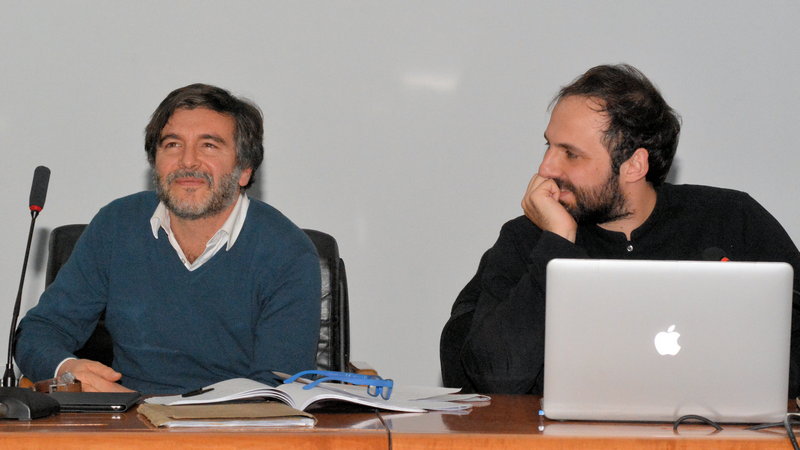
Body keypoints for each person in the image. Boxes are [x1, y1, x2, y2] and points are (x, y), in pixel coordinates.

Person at [441, 64, 800, 396]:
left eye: (571, 153)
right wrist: (556, 244)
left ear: (634, 165)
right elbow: (495, 379)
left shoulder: (731, 219)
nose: (546, 167)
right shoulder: (528, 238)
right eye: (549, 145)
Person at [16, 84, 321, 394]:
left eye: (209, 146)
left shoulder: (287, 252)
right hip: (127, 414)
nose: (188, 162)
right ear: (155, 162)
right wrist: (67, 370)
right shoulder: (116, 225)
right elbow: (39, 332)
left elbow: (277, 385)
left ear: (244, 170)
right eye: (173, 145)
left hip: (233, 419)